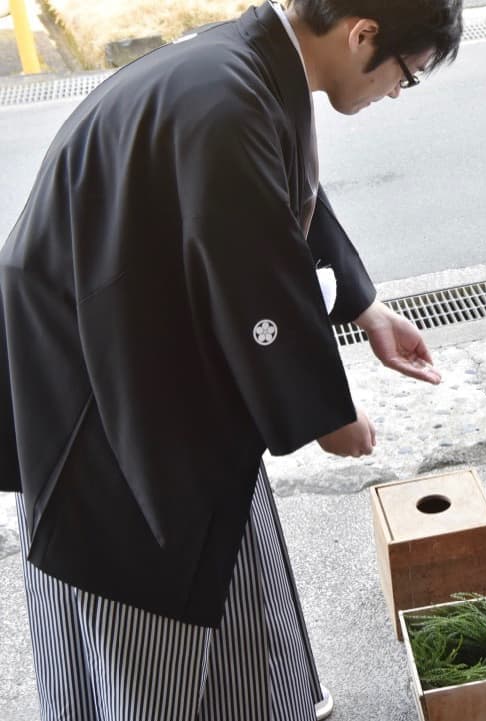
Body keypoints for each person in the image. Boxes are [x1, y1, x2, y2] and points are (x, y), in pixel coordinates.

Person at [0, 1, 461, 719]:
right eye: (409, 73)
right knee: (150, 573)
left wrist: (363, 307)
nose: (398, 91)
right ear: (362, 34)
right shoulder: (226, 96)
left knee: (221, 531)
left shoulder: (248, 64)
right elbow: (253, 268)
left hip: (140, 346)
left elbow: (279, 201)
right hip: (99, 380)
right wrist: (328, 414)